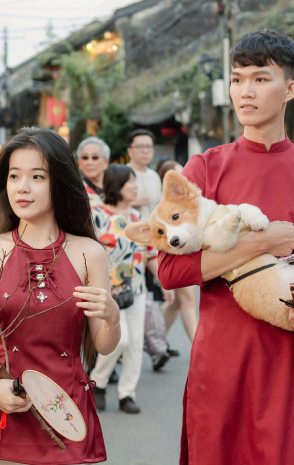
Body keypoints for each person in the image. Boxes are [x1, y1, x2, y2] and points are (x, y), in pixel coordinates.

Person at [157, 30, 294, 464]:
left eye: (260, 79)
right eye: (237, 79)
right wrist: (261, 243)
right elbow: (171, 271)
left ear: (290, 89)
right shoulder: (206, 169)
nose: (245, 92)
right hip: (224, 366)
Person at [0, 127, 120, 464]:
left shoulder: (89, 253)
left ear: (59, 182)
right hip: (1, 415)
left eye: (37, 176)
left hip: (67, 416)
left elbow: (102, 345)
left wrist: (113, 316)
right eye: (14, 176)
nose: (23, 187)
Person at [89, 164, 170, 413]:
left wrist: (164, 282)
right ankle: (98, 382)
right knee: (120, 341)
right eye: (130, 182)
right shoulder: (96, 215)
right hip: (106, 292)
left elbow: (149, 254)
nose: (136, 186)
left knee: (135, 344)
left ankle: (127, 394)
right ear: (117, 185)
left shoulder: (138, 218)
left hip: (136, 289)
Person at [125, 128, 173, 368]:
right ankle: (152, 345)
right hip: (128, 246)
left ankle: (155, 343)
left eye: (149, 147)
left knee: (151, 297)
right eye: (140, 146)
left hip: (153, 245)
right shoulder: (124, 175)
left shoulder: (155, 177)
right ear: (130, 150)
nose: (145, 151)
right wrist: (133, 200)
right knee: (134, 298)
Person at [155, 160, 198, 342]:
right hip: (172, 252)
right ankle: (197, 345)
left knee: (178, 303)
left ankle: (156, 342)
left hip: (182, 250)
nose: (184, 178)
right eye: (179, 174)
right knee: (188, 301)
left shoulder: (181, 198)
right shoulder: (164, 203)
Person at [77, 136, 111, 207]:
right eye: (85, 157)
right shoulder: (76, 190)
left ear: (106, 162)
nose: (89, 162)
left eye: (95, 157)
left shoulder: (116, 186)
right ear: (79, 162)